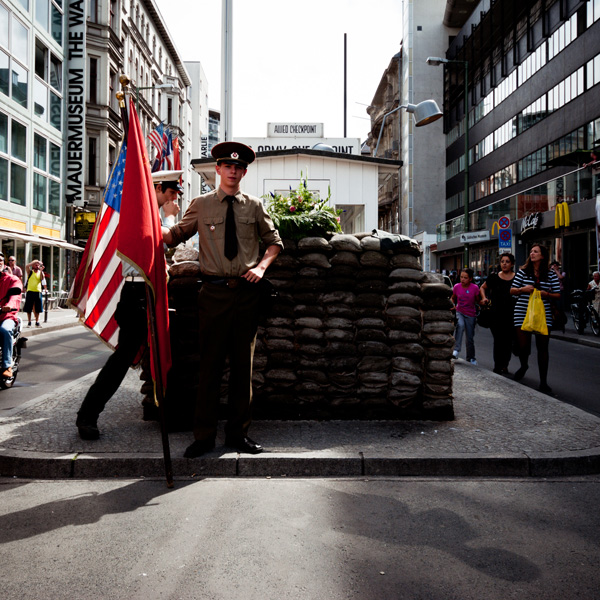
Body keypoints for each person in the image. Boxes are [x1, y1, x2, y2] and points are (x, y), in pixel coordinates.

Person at [162, 141, 283, 458]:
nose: (233, 171)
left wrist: (260, 266)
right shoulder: (202, 205)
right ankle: (203, 437)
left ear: (243, 172)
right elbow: (175, 236)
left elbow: (274, 243)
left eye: (238, 167)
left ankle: (238, 435)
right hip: (213, 294)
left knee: (244, 369)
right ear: (218, 169)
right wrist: (151, 222)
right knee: (210, 368)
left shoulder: (254, 206)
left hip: (246, 294)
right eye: (227, 166)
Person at [75, 170, 182, 440]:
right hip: (136, 293)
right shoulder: (139, 214)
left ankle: (167, 412)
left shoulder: (151, 214)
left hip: (150, 291)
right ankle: (87, 415)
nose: (173, 200)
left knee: (164, 353)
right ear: (157, 188)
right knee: (122, 360)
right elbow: (152, 248)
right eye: (170, 193)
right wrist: (170, 218)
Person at [510, 244, 560, 394]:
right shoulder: (523, 272)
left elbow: (557, 294)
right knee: (523, 346)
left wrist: (547, 295)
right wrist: (522, 290)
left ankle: (543, 382)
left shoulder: (551, 274)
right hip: (522, 312)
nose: (532, 253)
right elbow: (512, 290)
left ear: (542, 256)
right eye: (531, 251)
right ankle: (524, 365)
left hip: (542, 314)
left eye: (536, 251)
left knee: (543, 348)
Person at [480, 253, 516, 374]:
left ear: (512, 264)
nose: (504, 263)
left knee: (508, 341)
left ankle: (505, 364)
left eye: (507, 261)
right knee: (498, 340)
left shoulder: (517, 278)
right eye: (502, 261)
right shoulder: (494, 277)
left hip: (511, 314)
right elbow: (482, 287)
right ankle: (497, 365)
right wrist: (484, 298)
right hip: (495, 314)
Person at [451, 267, 481, 365]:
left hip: (471, 314)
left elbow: (478, 300)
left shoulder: (475, 288)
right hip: (460, 311)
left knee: (470, 338)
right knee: (460, 325)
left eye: (465, 277)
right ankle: (456, 350)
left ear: (470, 279)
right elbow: (453, 298)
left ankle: (471, 357)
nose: (462, 279)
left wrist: (483, 303)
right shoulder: (456, 287)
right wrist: (453, 306)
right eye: (461, 277)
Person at [0, 254, 23, 378]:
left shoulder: (12, 279)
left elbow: (15, 295)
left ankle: (7, 365)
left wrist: (9, 305)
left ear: (4, 263)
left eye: (0, 260)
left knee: (5, 330)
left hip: (6, 315)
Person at [23, 260, 47, 327]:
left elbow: (42, 278)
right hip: (30, 291)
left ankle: (37, 322)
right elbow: (27, 266)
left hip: (38, 291)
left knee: (38, 308)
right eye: (35, 265)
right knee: (29, 308)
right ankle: (29, 322)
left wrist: (41, 270)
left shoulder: (40, 273)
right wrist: (35, 261)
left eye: (38, 265)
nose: (37, 266)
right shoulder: (30, 272)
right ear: (33, 265)